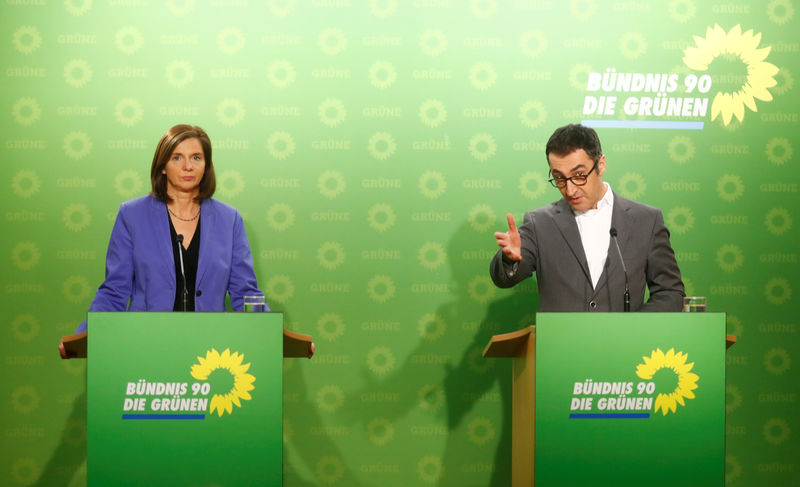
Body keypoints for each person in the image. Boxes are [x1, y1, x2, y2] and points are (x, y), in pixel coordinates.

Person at [59, 124, 268, 358]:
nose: (188, 166)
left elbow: (245, 293)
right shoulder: (132, 215)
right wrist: (85, 335)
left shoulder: (230, 219)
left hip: (210, 351)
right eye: (177, 157)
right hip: (146, 348)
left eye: (196, 157)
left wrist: (272, 336)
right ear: (163, 167)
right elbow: (115, 290)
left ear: (206, 166)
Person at [490, 123, 684, 312]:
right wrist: (509, 260)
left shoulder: (647, 221)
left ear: (601, 164)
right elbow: (504, 278)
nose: (570, 189)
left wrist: (632, 328)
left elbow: (670, 292)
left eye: (579, 175)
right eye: (559, 178)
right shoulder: (539, 223)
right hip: (562, 343)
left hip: (626, 343)